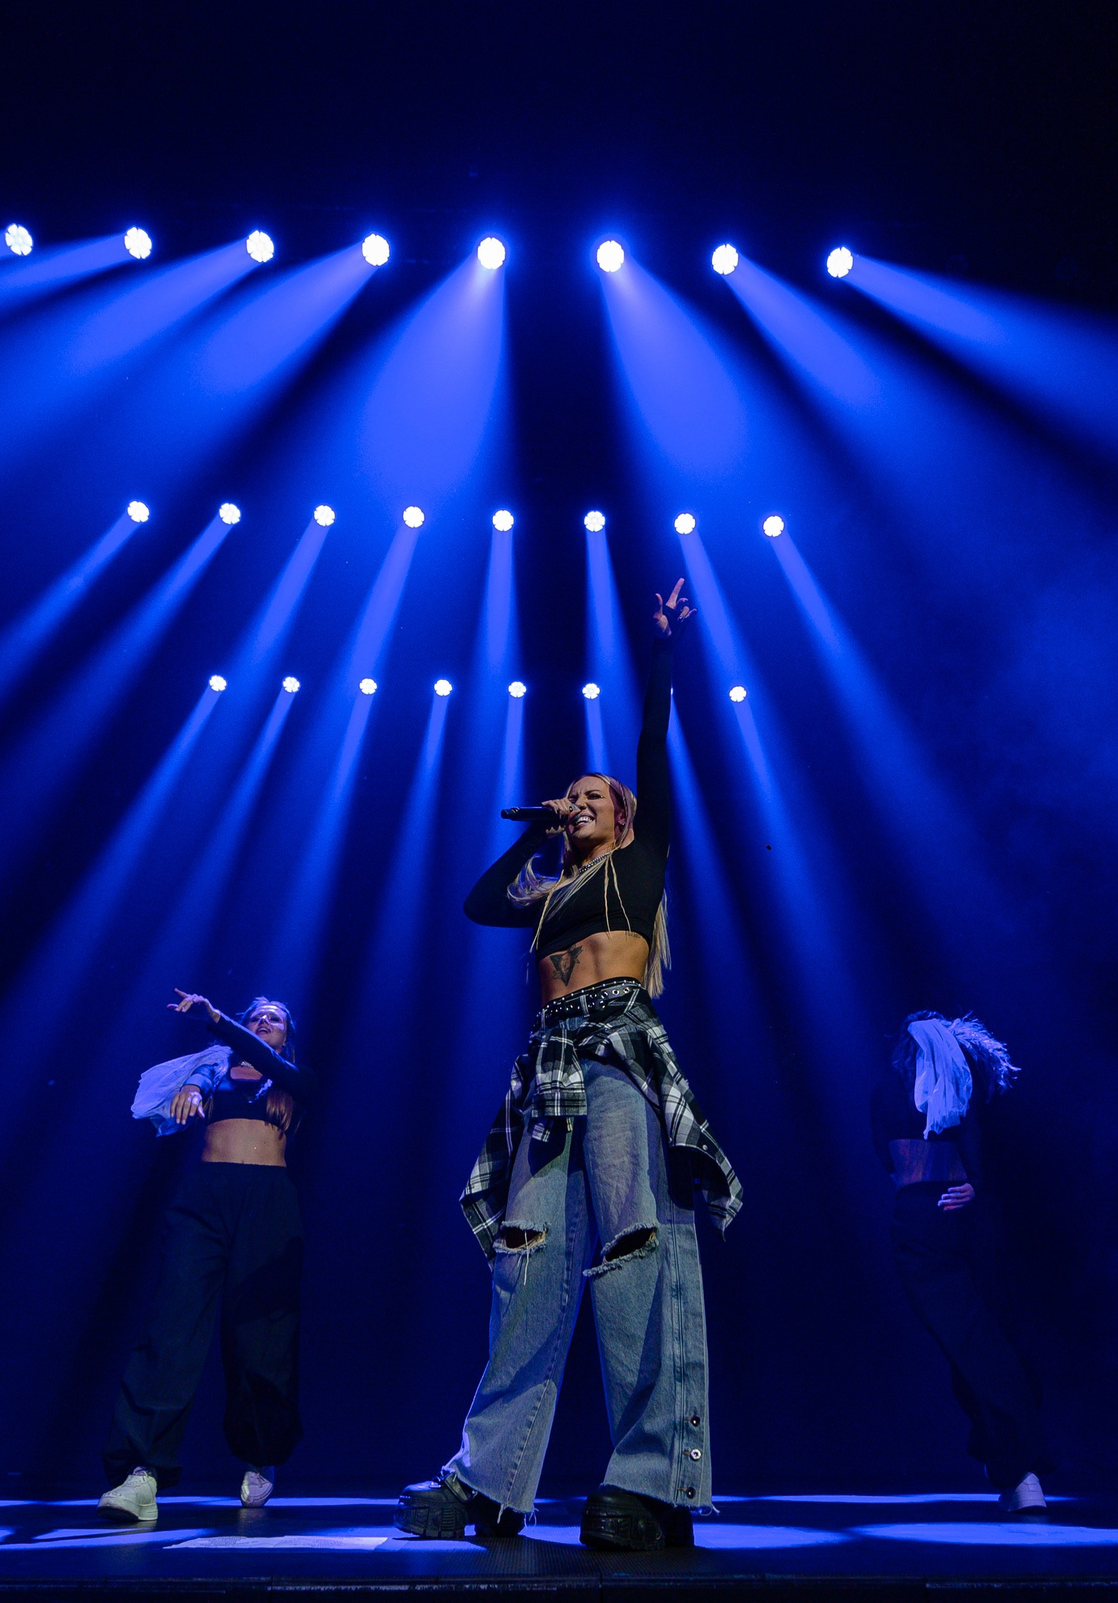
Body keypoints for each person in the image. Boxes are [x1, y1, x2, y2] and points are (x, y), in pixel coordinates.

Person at [395, 581, 742, 1553]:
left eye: (594, 798)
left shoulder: (640, 864)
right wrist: (533, 828)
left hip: (621, 1051)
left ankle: (657, 1479)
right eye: (574, 795)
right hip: (546, 1070)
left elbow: (649, 758)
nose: (583, 800)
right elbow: (476, 901)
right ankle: (490, 1479)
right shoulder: (547, 895)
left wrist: (662, 654)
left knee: (636, 1250)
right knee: (525, 1262)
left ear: (622, 818)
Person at [97, 992, 309, 1523]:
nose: (266, 1023)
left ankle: (261, 1453)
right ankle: (142, 1472)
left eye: (276, 1020)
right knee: (171, 1326)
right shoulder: (210, 1070)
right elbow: (166, 1092)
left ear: (287, 1035)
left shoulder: (289, 1077)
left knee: (261, 1338)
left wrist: (217, 1021)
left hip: (268, 1202)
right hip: (206, 1199)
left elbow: (261, 1059)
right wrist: (196, 1079)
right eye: (257, 1017)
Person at [872, 1012, 1050, 1513]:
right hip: (969, 1224)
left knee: (975, 1348)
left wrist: (946, 1184)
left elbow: (889, 1164)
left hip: (927, 1223)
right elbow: (984, 1155)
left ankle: (1020, 1468)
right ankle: (1013, 1465)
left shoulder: (893, 1093)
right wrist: (975, 1185)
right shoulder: (964, 1092)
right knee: (983, 1345)